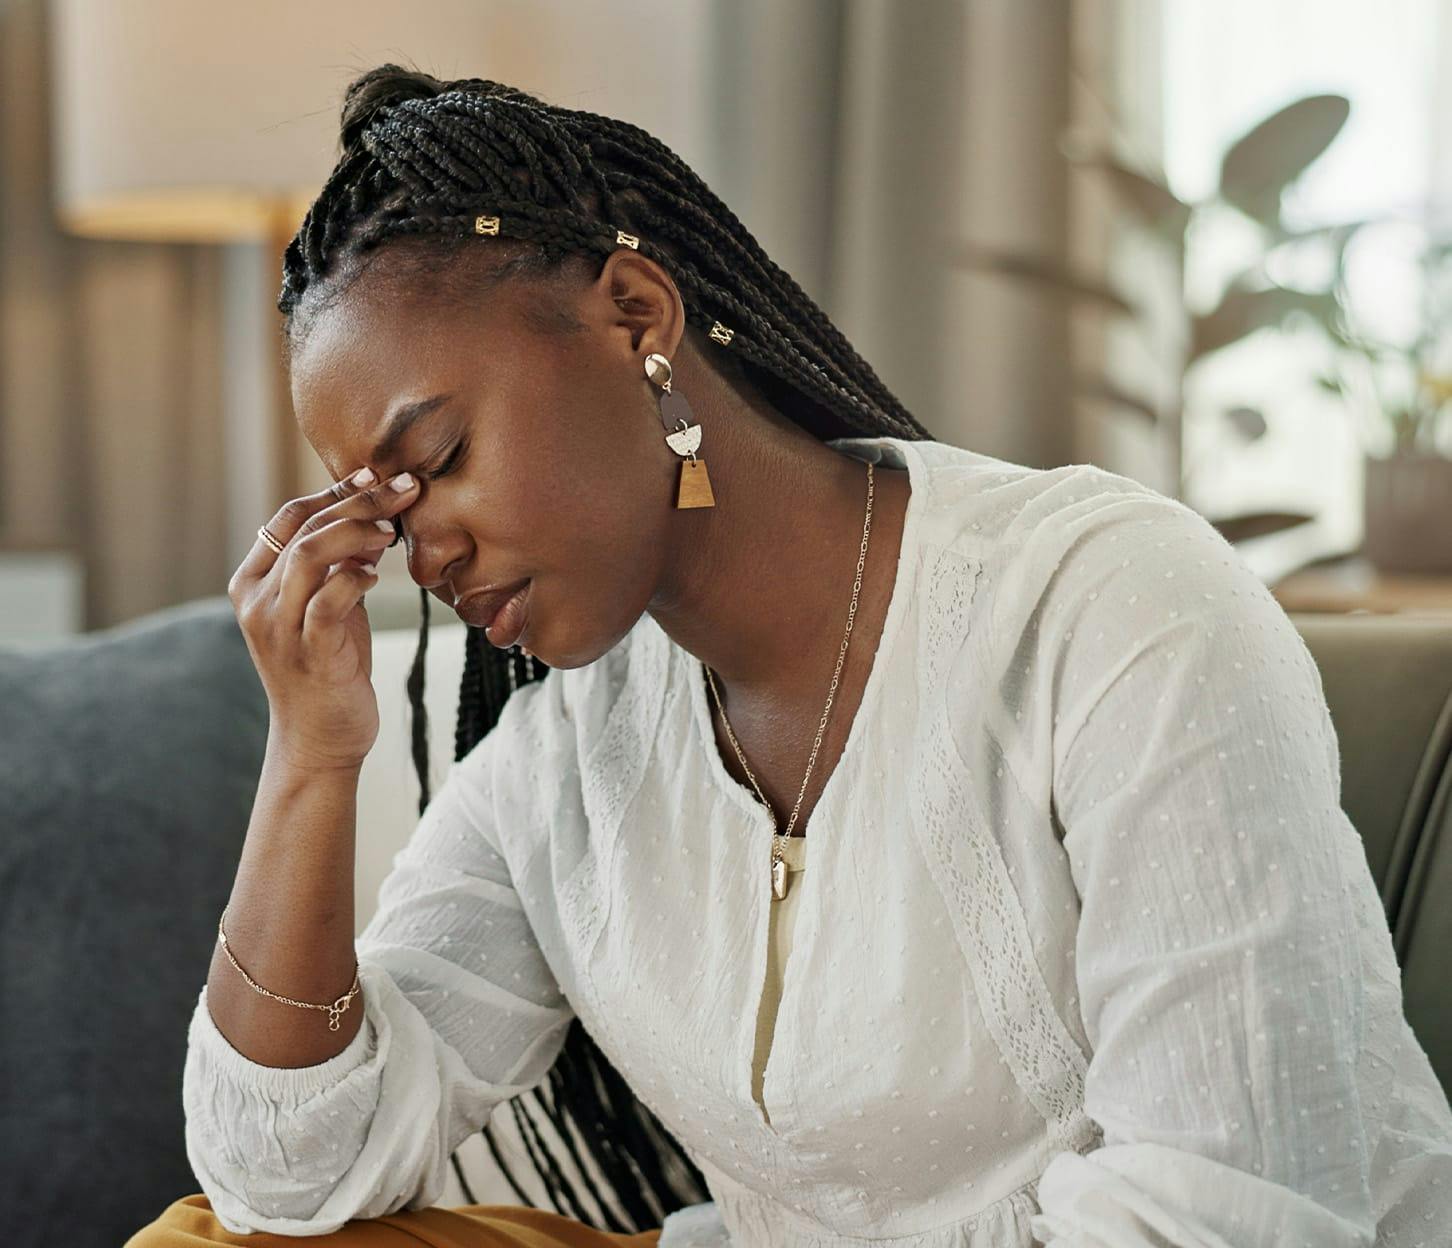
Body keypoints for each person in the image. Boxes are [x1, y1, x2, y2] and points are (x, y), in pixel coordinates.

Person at [128, 65, 1452, 1247]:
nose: (426, 552)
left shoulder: (1109, 611)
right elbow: (283, 1174)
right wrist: (311, 756)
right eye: (385, 508)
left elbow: (1224, 1215)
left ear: (637, 315)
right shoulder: (569, 756)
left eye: (439, 458)